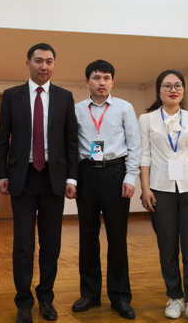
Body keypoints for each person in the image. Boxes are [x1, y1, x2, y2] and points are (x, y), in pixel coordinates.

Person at [0, 43, 78, 323]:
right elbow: (2, 140)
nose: (44, 66)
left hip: (54, 179)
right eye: (39, 60)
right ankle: (23, 302)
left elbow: (71, 142)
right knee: (23, 245)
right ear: (28, 63)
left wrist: (72, 177)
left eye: (49, 61)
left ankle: (46, 298)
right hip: (23, 178)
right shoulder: (12, 95)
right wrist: (1, 174)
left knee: (51, 244)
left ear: (54, 65)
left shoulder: (65, 97)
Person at [139, 70, 188, 323]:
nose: (173, 90)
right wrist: (145, 188)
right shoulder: (147, 119)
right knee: (167, 248)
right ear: (159, 90)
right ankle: (175, 297)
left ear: (183, 90)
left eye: (178, 85)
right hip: (160, 190)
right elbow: (145, 155)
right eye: (167, 85)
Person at [72, 60, 142, 319]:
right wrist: (72, 180)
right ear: (87, 82)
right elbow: (71, 146)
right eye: (96, 77)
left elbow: (135, 145)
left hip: (115, 172)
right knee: (87, 235)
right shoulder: (77, 110)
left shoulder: (124, 107)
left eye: (106, 78)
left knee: (117, 236)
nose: (101, 82)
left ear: (112, 81)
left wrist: (130, 178)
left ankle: (120, 296)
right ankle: (89, 293)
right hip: (86, 173)